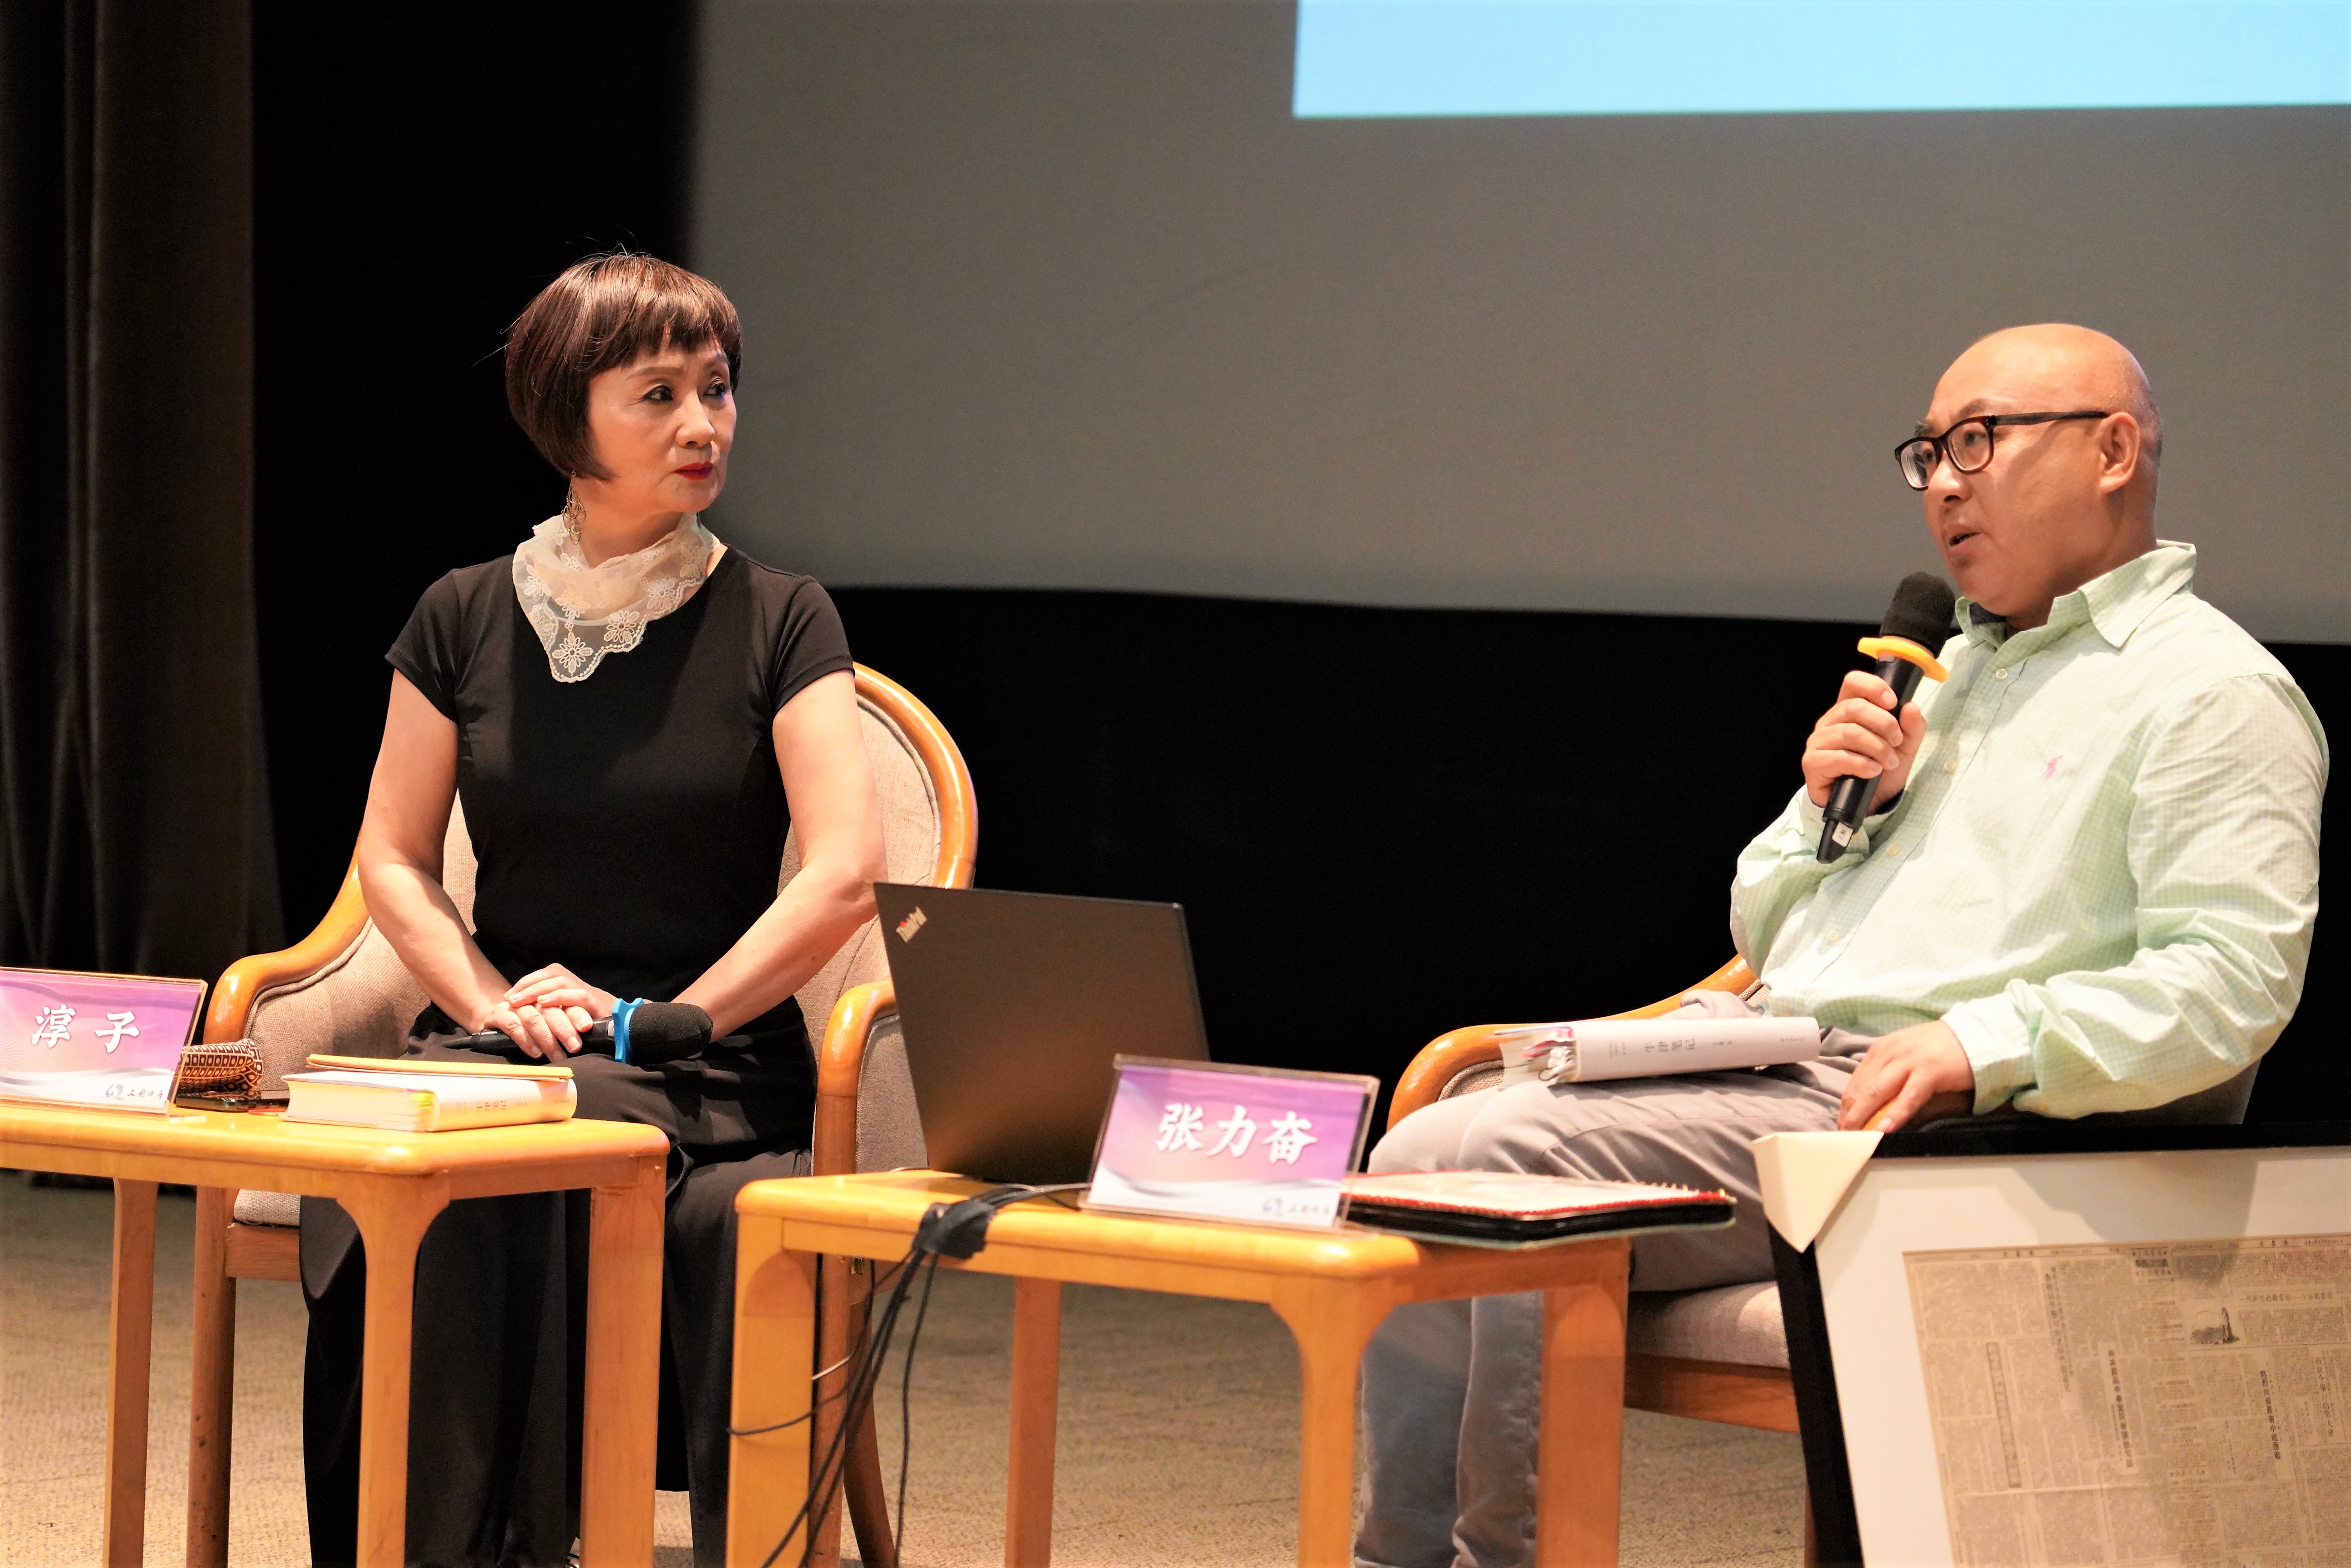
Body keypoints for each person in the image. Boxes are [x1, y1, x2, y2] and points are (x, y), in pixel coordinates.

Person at [1353, 324, 2328, 1568]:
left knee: (1490, 1154)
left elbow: (2231, 982)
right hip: (1772, 1058)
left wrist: (1981, 1044)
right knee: (1434, 1141)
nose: (1943, 485)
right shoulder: (1943, 669)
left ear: (2112, 451)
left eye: (1977, 442)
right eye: (1927, 454)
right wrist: (1830, 811)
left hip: (1951, 1116)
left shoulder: (2209, 691)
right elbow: (1759, 920)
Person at [300, 253, 887, 1568]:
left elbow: (846, 868)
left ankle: (494, 1547)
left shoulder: (782, 616)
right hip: (510, 1045)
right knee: (394, 1155)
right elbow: (394, 858)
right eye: (659, 395)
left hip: (702, 1056)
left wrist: (664, 1017)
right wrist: (492, 1004)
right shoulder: (459, 614)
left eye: (717, 390)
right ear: (569, 419)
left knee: (506, 1153)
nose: (702, 423)